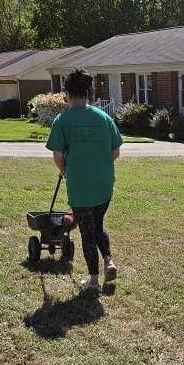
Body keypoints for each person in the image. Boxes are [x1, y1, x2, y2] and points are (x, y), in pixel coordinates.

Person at [46, 69, 123, 290]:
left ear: (67, 93)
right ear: (88, 92)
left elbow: (58, 155)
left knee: (87, 232)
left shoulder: (62, 120)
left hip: (80, 187)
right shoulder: (103, 117)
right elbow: (115, 151)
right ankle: (109, 261)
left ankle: (93, 280)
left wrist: (66, 171)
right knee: (97, 224)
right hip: (104, 185)